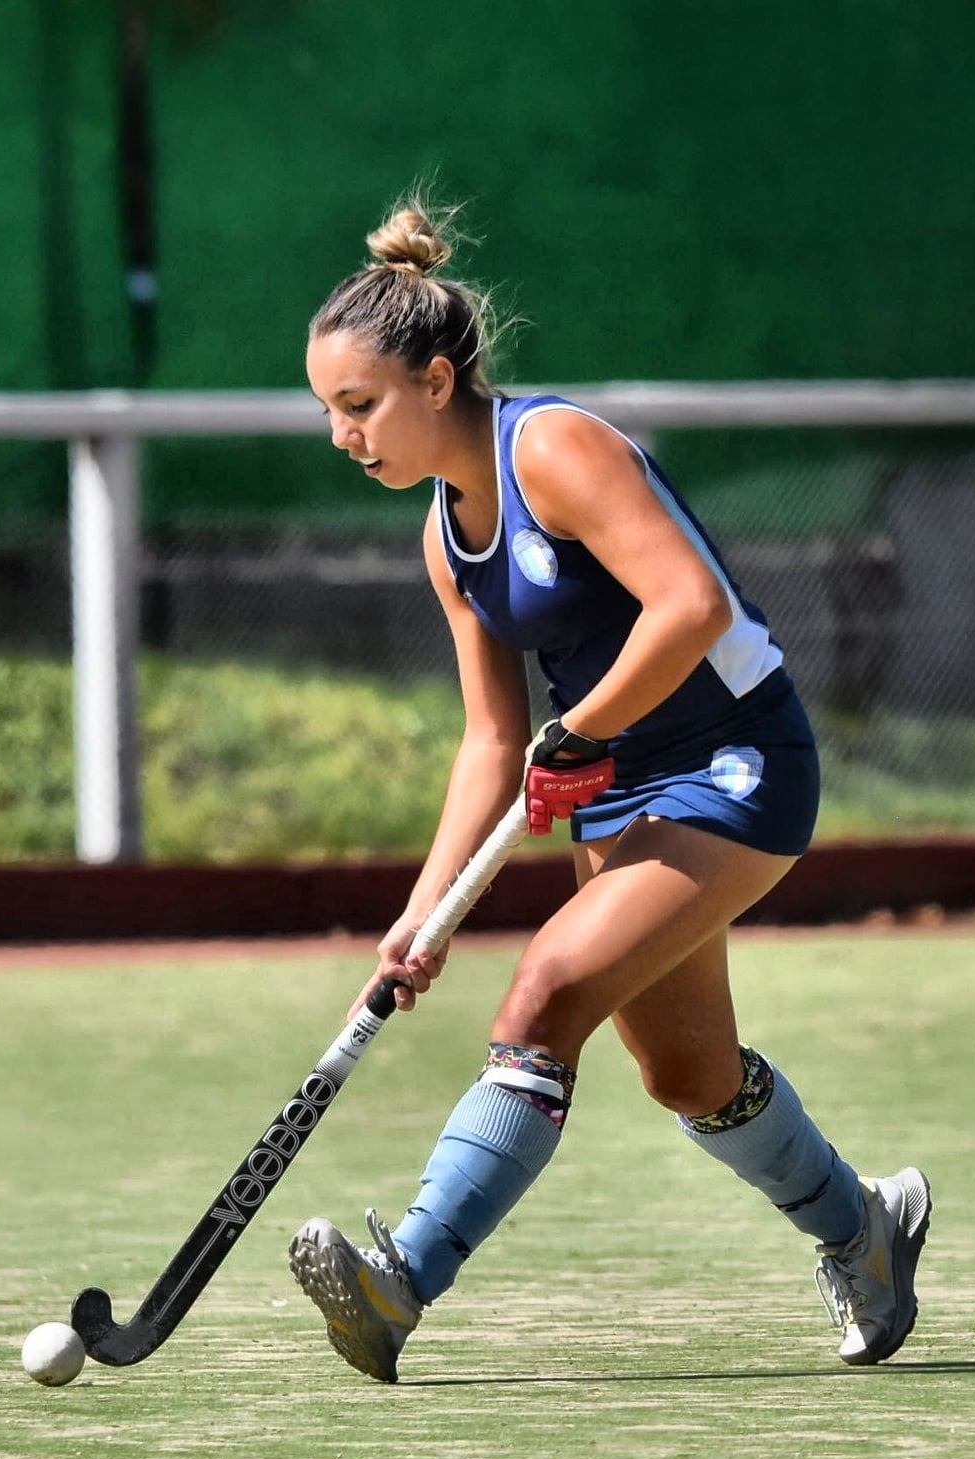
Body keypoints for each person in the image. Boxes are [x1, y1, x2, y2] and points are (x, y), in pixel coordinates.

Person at [288, 195, 930, 1383]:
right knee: (686, 1074)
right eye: (329, 411)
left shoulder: (554, 448)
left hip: (736, 766)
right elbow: (491, 743)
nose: (344, 435)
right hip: (616, 786)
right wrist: (422, 917)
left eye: (360, 405)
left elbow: (691, 607)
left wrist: (578, 725)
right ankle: (866, 1233)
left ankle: (402, 1283)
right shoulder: (446, 532)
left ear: (436, 382)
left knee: (543, 995)